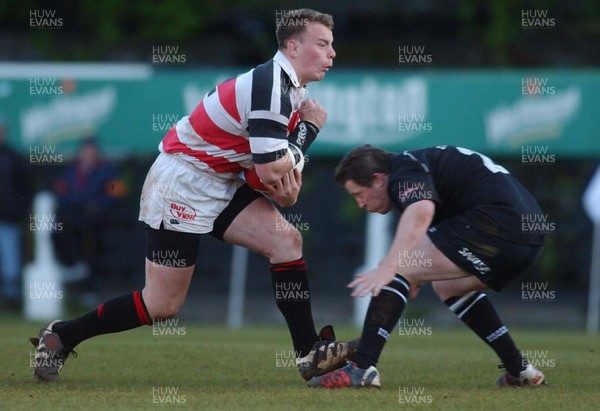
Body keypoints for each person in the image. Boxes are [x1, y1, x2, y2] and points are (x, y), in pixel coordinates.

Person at [31, 8, 357, 383]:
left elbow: (281, 188)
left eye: (332, 45)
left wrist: (288, 170)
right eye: (323, 44)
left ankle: (308, 353)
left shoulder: (293, 92)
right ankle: (62, 336)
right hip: (182, 183)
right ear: (293, 46)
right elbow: (272, 168)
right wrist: (309, 133)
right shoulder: (270, 86)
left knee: (286, 241)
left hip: (219, 180)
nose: (332, 53)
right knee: (162, 305)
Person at [309, 144, 546, 388]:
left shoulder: (403, 170)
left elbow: (422, 209)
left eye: (358, 194)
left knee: (399, 268)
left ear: (378, 179)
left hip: (497, 226)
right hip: (530, 240)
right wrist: (408, 270)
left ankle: (361, 368)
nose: (360, 204)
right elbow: (427, 227)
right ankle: (519, 371)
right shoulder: (418, 165)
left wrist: (392, 266)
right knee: (449, 287)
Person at [52, 137, 124, 292]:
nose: (88, 155)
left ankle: (88, 284)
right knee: (57, 231)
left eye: (92, 152)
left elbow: (114, 193)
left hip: (96, 219)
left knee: (90, 244)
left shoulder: (107, 171)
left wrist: (97, 206)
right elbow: (61, 193)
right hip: (72, 217)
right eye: (85, 151)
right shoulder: (70, 171)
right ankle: (72, 267)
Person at [0, 119, 32, 310]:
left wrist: (18, 211)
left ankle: (11, 302)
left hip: (7, 219)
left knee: (10, 264)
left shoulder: (13, 158)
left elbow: (26, 188)